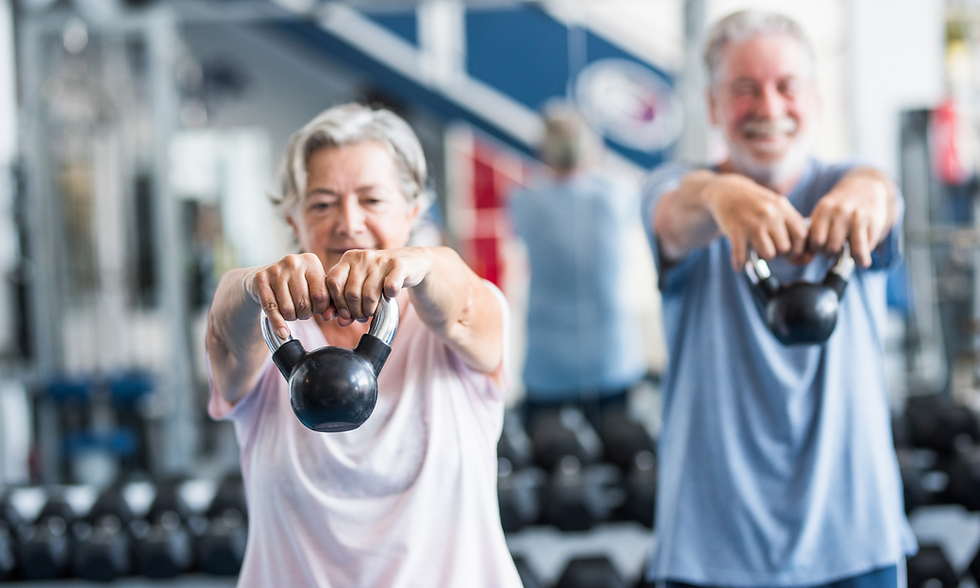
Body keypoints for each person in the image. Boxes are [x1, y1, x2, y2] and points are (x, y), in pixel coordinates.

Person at [642, 10, 915, 588]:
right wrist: (721, 196)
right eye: (744, 91)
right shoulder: (675, 191)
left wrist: (869, 192)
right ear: (714, 108)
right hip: (711, 547)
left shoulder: (850, 184)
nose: (768, 108)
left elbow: (881, 193)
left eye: (786, 87)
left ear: (814, 99)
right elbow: (676, 210)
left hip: (855, 540)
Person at [205, 103, 522, 588]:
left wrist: (425, 264)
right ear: (294, 220)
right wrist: (253, 285)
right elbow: (226, 333)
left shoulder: (454, 324)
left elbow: (463, 305)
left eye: (372, 200)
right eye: (323, 203)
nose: (348, 223)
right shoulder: (268, 331)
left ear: (413, 212)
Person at [507, 102, 646, 430]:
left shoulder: (523, 202)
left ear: (544, 150)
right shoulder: (618, 198)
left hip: (547, 364)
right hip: (611, 362)